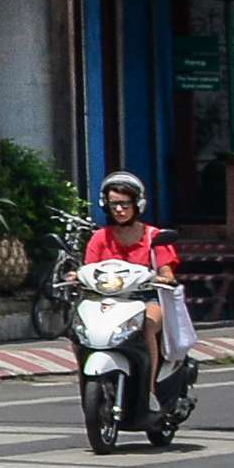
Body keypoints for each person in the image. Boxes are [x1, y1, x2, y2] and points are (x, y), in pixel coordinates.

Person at [78, 170, 197, 426]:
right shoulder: (100, 237)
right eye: (114, 204)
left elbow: (166, 269)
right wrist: (75, 275)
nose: (119, 209)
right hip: (107, 302)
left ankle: (151, 390)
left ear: (137, 205)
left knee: (148, 325)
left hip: (146, 299)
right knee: (78, 330)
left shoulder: (154, 237)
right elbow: (88, 268)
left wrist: (164, 276)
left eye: (125, 204)